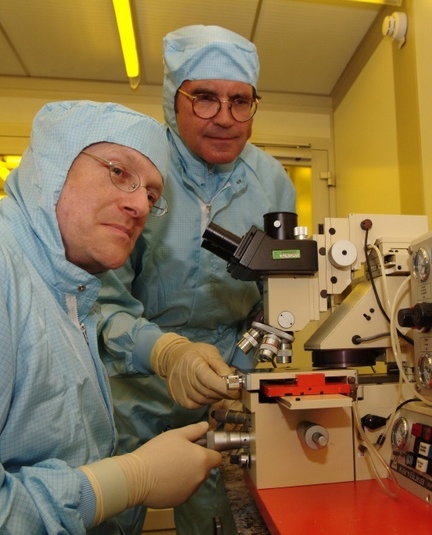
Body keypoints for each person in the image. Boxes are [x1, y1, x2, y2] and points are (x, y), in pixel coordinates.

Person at [0, 100, 221, 534]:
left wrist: (167, 350)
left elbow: (101, 325)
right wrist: (124, 482)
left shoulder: (64, 289)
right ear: (53, 163)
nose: (140, 204)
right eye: (119, 172)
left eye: (152, 194)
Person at [98, 26, 297, 534]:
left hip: (228, 379)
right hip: (135, 381)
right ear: (173, 99)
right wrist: (166, 353)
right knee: (110, 511)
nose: (225, 118)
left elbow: (284, 293)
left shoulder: (272, 181)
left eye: (240, 101)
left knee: (221, 516)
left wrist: (244, 368)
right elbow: (100, 301)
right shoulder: (138, 168)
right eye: (204, 98)